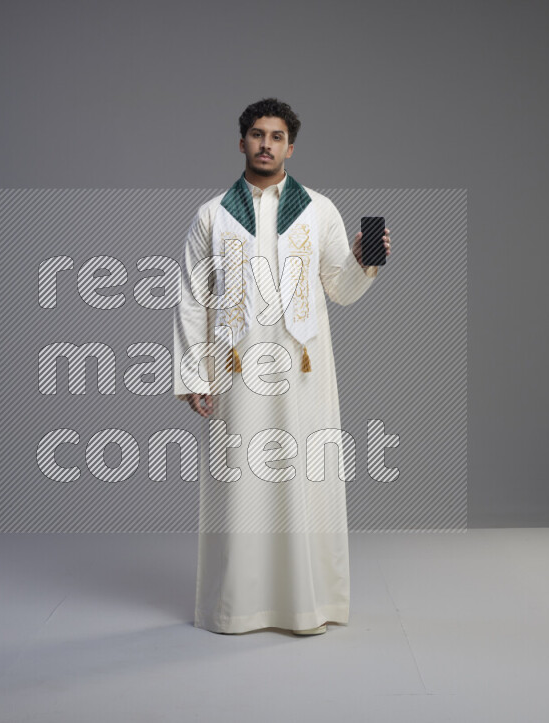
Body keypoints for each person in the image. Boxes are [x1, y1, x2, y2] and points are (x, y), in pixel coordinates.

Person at [172, 98, 392, 636]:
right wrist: (194, 376)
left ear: (290, 147)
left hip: (303, 371)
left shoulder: (318, 210)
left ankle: (307, 604)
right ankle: (236, 606)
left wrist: (366, 260)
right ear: (241, 142)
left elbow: (339, 288)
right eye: (256, 134)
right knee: (238, 482)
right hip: (236, 367)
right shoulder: (212, 215)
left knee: (306, 477)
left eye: (276, 136)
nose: (266, 144)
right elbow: (190, 299)